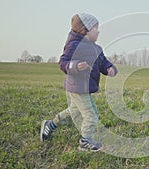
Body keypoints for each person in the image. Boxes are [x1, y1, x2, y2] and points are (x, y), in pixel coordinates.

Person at [40, 13, 117, 152]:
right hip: (77, 86)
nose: (98, 31)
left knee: (73, 111)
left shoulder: (96, 48)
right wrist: (74, 66)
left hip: (84, 87)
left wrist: (110, 69)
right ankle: (85, 142)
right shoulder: (74, 45)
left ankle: (50, 125)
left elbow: (103, 63)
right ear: (85, 30)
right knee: (91, 114)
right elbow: (63, 62)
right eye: (96, 28)